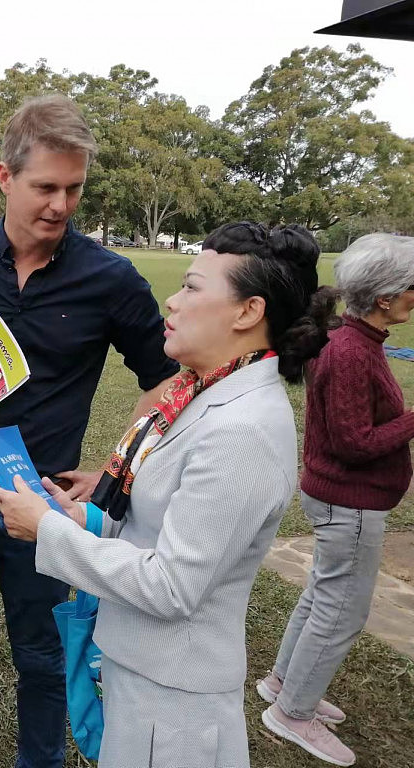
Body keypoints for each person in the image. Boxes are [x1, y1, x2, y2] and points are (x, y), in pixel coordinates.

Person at [0, 94, 180, 768]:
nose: (61, 204)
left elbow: (163, 378)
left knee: (43, 659)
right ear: (4, 177)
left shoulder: (111, 279)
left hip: (43, 508)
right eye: (46, 186)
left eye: (74, 188)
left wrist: (115, 468)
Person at [0, 221, 338, 768]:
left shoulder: (241, 429)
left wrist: (47, 529)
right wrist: (81, 517)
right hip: (143, 674)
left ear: (248, 312)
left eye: (193, 287)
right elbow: (153, 531)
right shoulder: (204, 391)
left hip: (174, 705)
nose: (172, 302)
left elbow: (173, 585)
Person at [259, 233, 414, 767]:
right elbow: (354, 444)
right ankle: (292, 713)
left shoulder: (356, 341)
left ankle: (284, 685)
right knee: (342, 610)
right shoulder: (351, 350)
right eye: (412, 288)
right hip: (348, 502)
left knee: (324, 597)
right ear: (385, 298)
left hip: (343, 500)